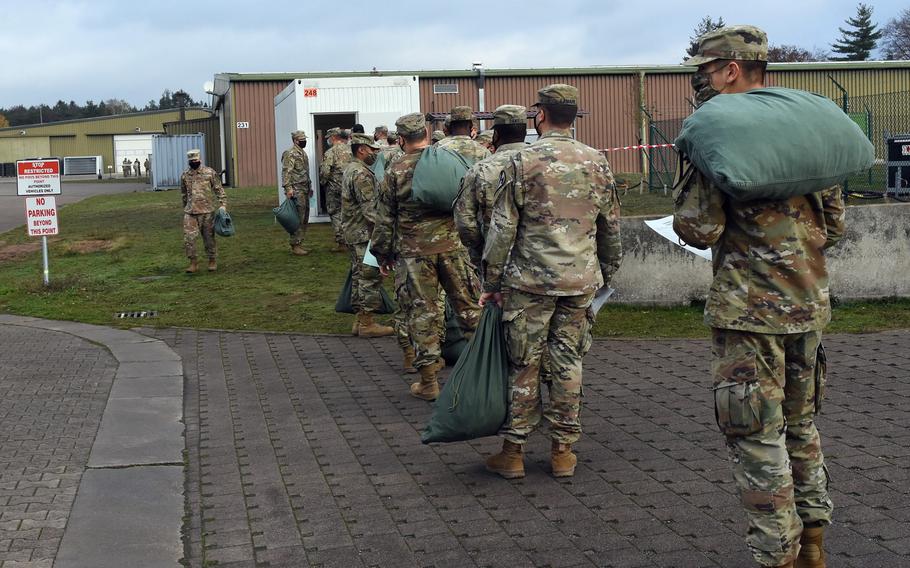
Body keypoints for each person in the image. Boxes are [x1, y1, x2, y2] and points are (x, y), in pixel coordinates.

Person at [673, 25, 842, 568]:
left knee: (755, 437)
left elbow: (699, 229)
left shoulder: (719, 133)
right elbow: (834, 225)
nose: (699, 82)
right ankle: (813, 542)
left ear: (729, 70)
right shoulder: (806, 129)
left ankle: (778, 555)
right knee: (801, 425)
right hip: (809, 304)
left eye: (703, 71)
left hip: (748, 314)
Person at [480, 84, 622, 479]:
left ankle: (514, 452)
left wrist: (490, 280)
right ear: (573, 116)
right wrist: (608, 272)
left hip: (529, 282)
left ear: (539, 115)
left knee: (523, 364)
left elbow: (503, 226)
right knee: (568, 361)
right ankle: (563, 450)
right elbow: (610, 225)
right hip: (580, 281)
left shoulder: (522, 161)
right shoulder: (598, 161)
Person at [371, 113, 481, 401]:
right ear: (427, 136)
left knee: (422, 315)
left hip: (414, 254)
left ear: (402, 140)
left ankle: (429, 382)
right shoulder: (447, 161)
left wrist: (382, 253)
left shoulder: (394, 170)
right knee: (470, 310)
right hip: (452, 247)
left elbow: (384, 217)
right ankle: (486, 374)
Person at [454, 104, 528, 266]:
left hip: (493, 257)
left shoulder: (480, 170)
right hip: (537, 259)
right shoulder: (543, 164)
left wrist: (480, 249)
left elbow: (465, 221)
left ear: (495, 134)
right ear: (525, 132)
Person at [341, 133, 396, 338]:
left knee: (358, 277)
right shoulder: (362, 174)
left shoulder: (351, 169)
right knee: (369, 277)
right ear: (362, 149)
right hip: (365, 234)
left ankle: (359, 320)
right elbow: (371, 211)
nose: (375, 153)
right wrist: (385, 232)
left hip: (354, 232)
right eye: (372, 149)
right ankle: (367, 322)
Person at [180, 149, 227, 273]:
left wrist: (223, 204)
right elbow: (184, 193)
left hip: (207, 212)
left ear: (199, 159)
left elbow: (218, 189)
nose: (193, 162)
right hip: (190, 212)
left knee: (209, 238)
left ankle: (212, 260)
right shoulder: (185, 175)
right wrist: (185, 206)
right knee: (189, 238)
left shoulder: (209, 172)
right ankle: (193, 263)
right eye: (191, 161)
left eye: (195, 160)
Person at [320, 127, 352, 252]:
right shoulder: (351, 150)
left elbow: (325, 172)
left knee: (336, 213)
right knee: (349, 214)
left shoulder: (330, 153)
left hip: (334, 189)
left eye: (328, 138)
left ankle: (342, 243)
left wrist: (323, 183)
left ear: (333, 137)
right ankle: (352, 240)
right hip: (349, 187)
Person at [280, 130, 312, 255]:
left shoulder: (302, 153)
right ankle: (295, 244)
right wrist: (288, 189)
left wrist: (309, 187)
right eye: (301, 139)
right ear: (295, 140)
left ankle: (300, 242)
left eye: (304, 139)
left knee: (304, 217)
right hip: (296, 189)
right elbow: (286, 172)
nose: (304, 141)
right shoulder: (290, 153)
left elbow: (304, 172)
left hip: (304, 188)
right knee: (297, 218)